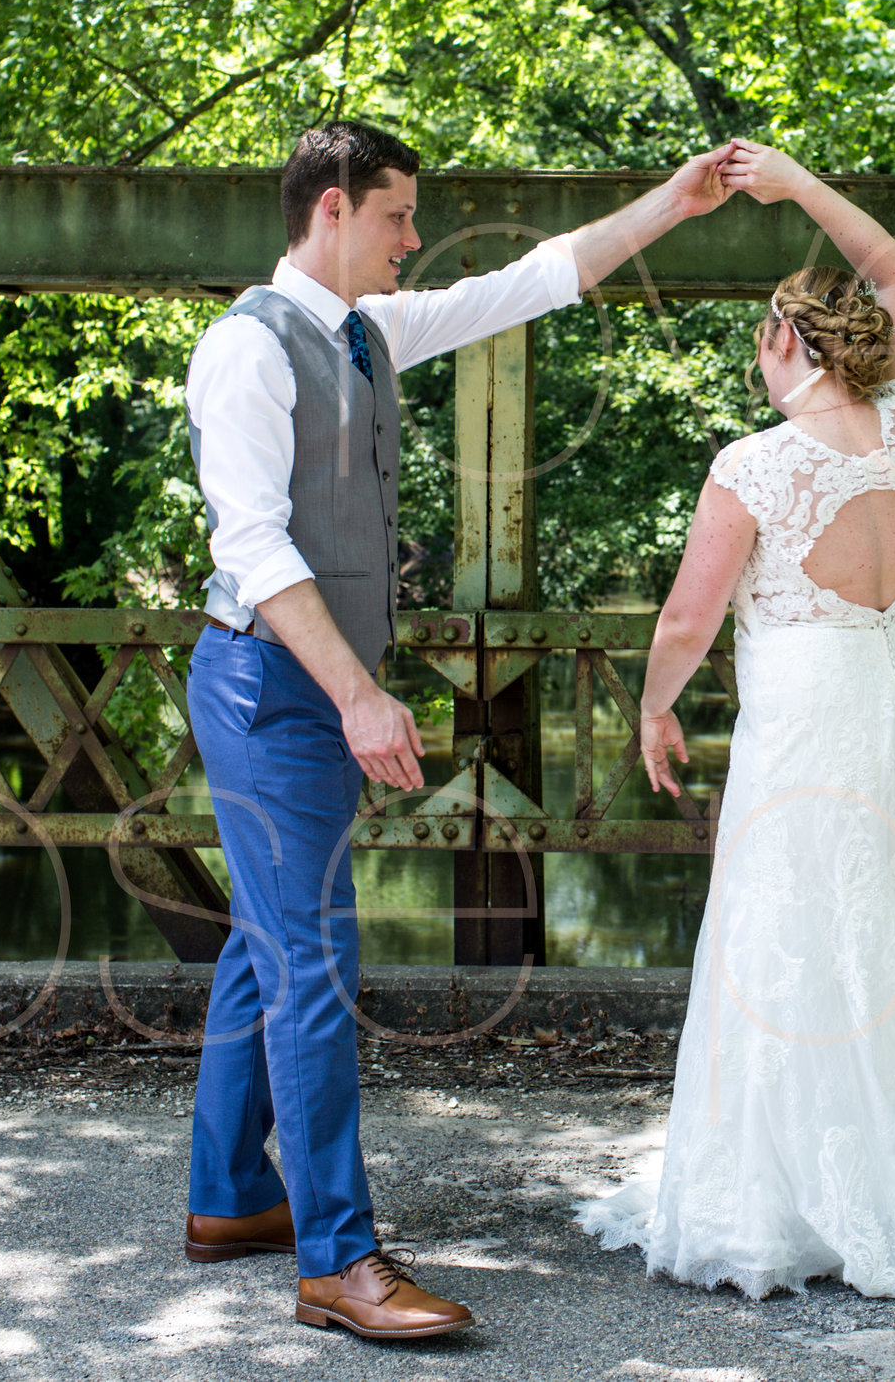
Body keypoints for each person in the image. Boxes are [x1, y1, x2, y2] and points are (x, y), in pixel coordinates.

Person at [181, 120, 730, 1339]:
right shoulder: (245, 351)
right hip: (268, 686)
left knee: (262, 945)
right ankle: (337, 1258)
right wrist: (359, 691)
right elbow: (254, 545)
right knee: (315, 964)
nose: (413, 240)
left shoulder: (368, 333)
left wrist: (671, 204)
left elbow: (528, 281)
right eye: (395, 217)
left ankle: (226, 1196)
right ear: (330, 208)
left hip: (298, 687)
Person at [575, 139, 895, 1299]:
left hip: (800, 711)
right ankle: (879, 1169)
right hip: (887, 696)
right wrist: (796, 182)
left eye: (757, 343)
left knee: (777, 931)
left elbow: (688, 618)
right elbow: (892, 265)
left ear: (783, 340)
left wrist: (652, 703)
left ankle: (778, 1197)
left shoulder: (754, 463)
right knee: (870, 920)